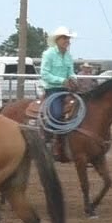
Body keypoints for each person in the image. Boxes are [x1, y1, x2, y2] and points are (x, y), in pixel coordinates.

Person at [40, 26, 77, 160]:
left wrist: (73, 79)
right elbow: (44, 74)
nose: (67, 41)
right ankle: (47, 140)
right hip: (53, 89)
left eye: (68, 38)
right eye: (64, 38)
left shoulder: (68, 56)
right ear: (57, 40)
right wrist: (62, 81)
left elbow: (71, 72)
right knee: (56, 114)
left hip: (66, 90)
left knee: (79, 109)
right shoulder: (48, 54)